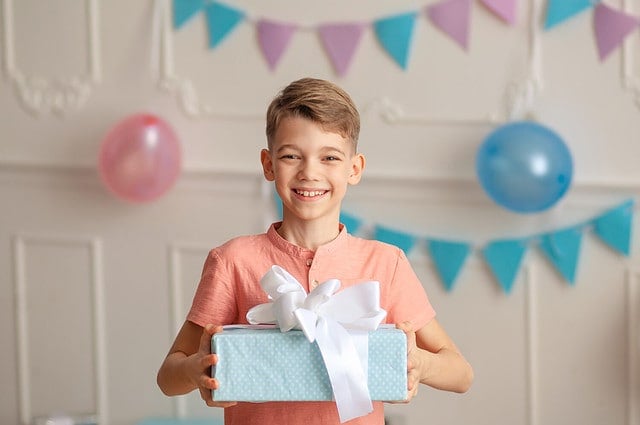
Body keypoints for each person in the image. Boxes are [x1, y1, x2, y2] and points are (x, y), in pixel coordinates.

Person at [157, 77, 473, 425]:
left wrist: (419, 365)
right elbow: (168, 377)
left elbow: (461, 374)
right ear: (268, 164)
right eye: (292, 155)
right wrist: (195, 370)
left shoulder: (386, 263)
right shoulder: (233, 261)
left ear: (354, 169)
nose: (310, 172)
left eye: (330, 157)